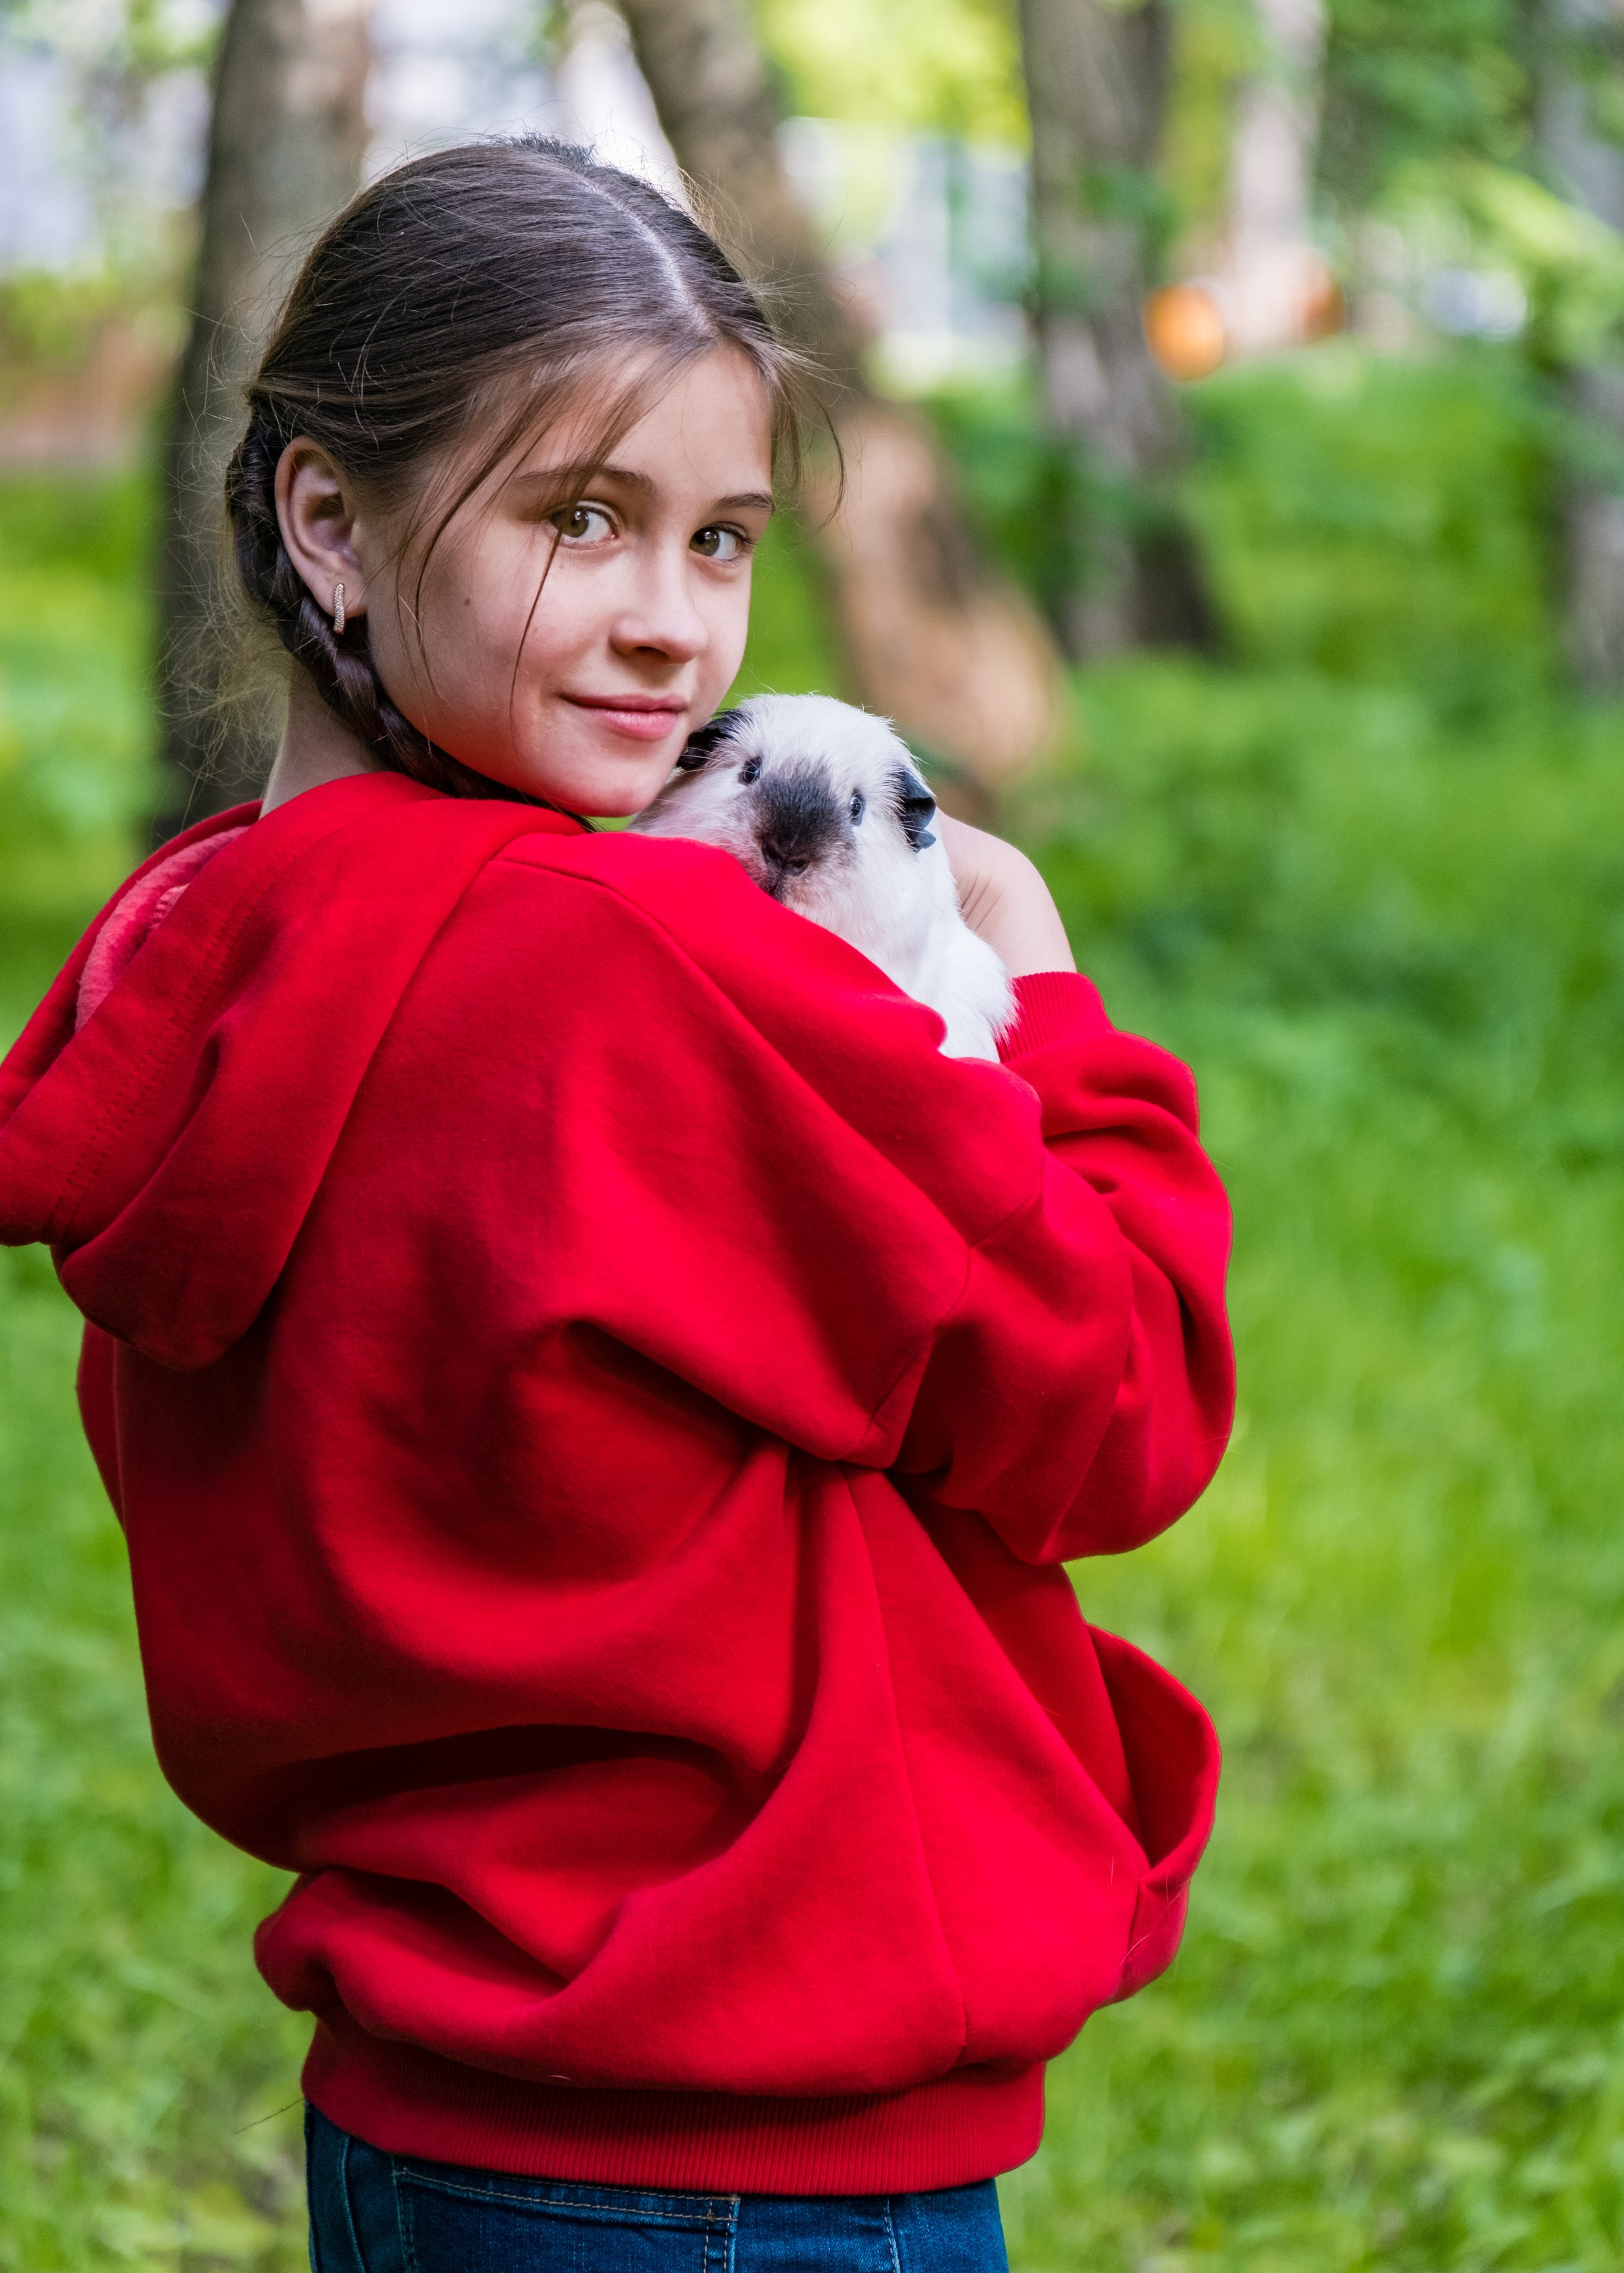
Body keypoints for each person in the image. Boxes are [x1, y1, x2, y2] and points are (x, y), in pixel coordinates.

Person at [0, 140, 1234, 2273]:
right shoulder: (641, 973)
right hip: (743, 2144)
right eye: (584, 521)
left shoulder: (184, 964)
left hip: (419, 2116)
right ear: (327, 520)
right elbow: (1120, 1400)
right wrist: (1038, 987)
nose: (671, 620)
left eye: (725, 539)